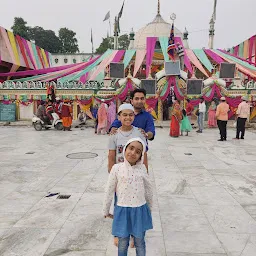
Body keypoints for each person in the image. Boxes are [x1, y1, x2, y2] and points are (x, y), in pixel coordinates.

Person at [103, 137, 153, 256]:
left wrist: (149, 209)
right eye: (131, 148)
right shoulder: (117, 168)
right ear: (125, 149)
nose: (133, 153)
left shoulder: (142, 169)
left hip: (139, 211)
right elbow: (109, 190)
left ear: (141, 155)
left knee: (139, 241)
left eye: (138, 151)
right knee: (122, 243)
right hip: (122, 211)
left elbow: (149, 190)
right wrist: (105, 210)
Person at [108, 104, 148, 172]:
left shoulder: (140, 133)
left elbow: (144, 155)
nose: (128, 117)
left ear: (134, 116)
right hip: (120, 172)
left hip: (136, 172)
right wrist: (112, 173)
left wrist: (145, 172)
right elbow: (111, 156)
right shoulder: (114, 134)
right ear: (119, 117)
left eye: (130, 115)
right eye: (125, 115)